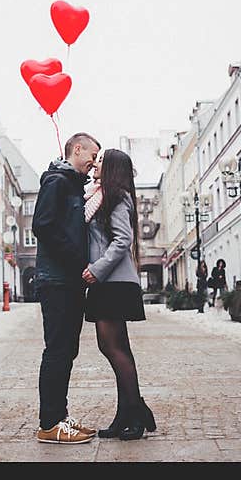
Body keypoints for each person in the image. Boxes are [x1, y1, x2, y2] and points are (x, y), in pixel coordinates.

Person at [32, 132, 101, 444]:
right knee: (58, 350)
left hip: (69, 280)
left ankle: (60, 416)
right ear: (77, 149)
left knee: (66, 351)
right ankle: (49, 424)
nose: (94, 163)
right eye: (92, 155)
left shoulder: (73, 185)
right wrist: (77, 261)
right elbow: (43, 226)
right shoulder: (57, 182)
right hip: (57, 279)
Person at [83, 149, 156, 441]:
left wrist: (96, 270)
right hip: (109, 281)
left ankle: (135, 413)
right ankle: (127, 413)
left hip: (112, 281)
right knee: (117, 349)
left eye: (100, 161)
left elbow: (122, 239)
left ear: (111, 168)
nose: (95, 164)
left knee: (113, 349)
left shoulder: (117, 197)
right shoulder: (98, 196)